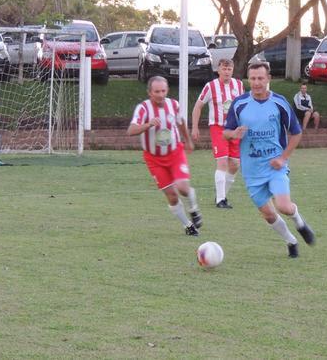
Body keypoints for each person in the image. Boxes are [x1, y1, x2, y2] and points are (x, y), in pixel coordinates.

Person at [224, 62, 315, 258]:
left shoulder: (279, 103)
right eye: (253, 78)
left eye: (260, 78)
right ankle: (291, 241)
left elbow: (296, 133)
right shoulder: (239, 104)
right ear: (249, 80)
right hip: (251, 171)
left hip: (275, 166)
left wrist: (283, 158)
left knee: (283, 206)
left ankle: (299, 222)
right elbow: (225, 132)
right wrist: (234, 133)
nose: (256, 83)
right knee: (269, 214)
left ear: (268, 79)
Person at [127, 76, 202, 236]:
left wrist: (188, 140)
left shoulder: (174, 105)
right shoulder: (143, 109)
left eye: (163, 91)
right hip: (154, 159)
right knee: (172, 195)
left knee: (182, 188)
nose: (160, 94)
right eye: (156, 91)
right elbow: (131, 130)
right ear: (149, 92)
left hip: (175, 153)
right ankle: (188, 225)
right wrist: (148, 125)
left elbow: (181, 123)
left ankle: (194, 209)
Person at [192, 58, 244, 209]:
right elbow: (198, 106)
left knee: (234, 165)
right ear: (218, 70)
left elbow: (243, 106)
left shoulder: (238, 85)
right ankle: (220, 200)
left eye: (229, 69)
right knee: (222, 162)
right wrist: (195, 127)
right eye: (224, 69)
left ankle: (222, 195)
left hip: (234, 129)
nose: (226, 72)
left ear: (232, 70)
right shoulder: (211, 86)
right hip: (218, 128)